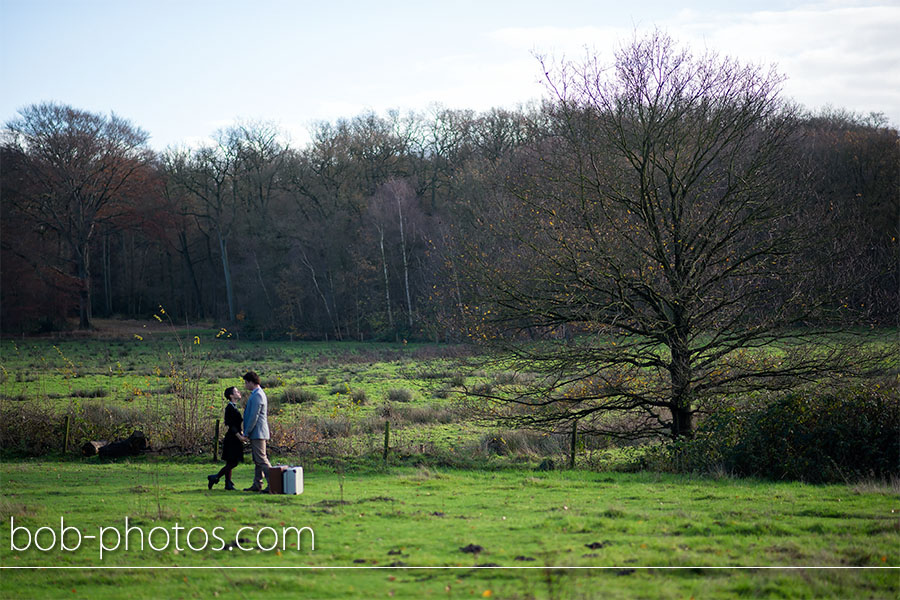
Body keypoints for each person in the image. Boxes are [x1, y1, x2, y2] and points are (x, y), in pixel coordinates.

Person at [208, 386, 246, 491]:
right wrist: (239, 436)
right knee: (233, 462)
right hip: (232, 438)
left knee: (230, 462)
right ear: (231, 395)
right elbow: (230, 424)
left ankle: (227, 483)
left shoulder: (233, 407)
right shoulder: (229, 408)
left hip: (235, 436)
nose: (239, 393)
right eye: (236, 392)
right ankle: (215, 477)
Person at [241, 371, 271, 492]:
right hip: (257, 432)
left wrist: (246, 432)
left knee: (262, 459)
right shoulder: (257, 393)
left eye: (246, 382)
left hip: (258, 432)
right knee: (258, 460)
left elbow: (254, 416)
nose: (245, 385)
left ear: (251, 382)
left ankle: (273, 484)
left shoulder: (258, 395)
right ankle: (257, 484)